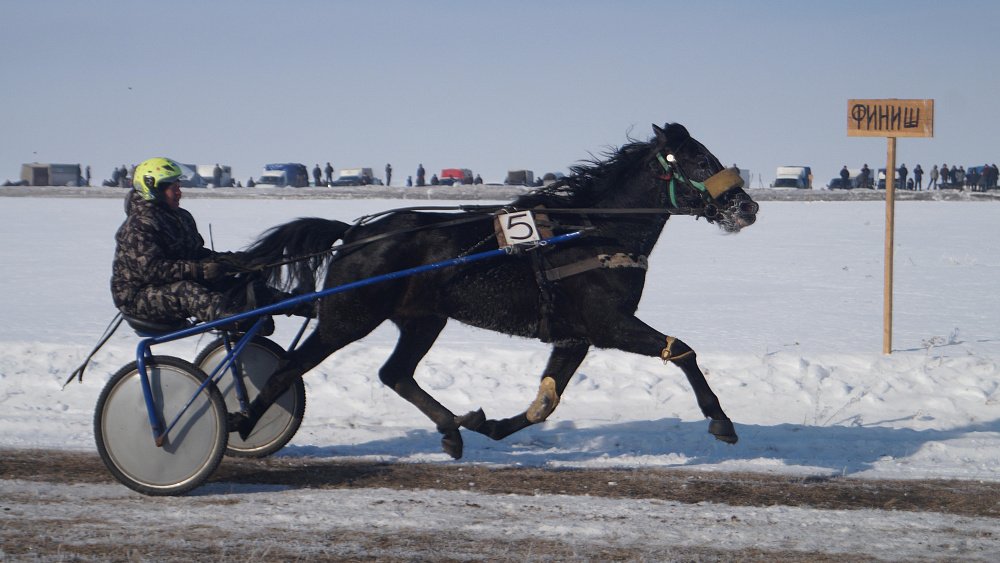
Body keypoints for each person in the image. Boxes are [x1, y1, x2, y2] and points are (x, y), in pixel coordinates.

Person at [111, 157, 278, 328]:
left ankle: (287, 302)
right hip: (137, 298)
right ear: (153, 189)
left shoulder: (181, 217)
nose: (179, 193)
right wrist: (199, 270)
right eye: (173, 188)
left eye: (179, 186)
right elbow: (151, 270)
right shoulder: (138, 225)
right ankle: (239, 319)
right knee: (186, 291)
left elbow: (195, 253)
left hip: (168, 286)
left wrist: (233, 261)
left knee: (233, 283)